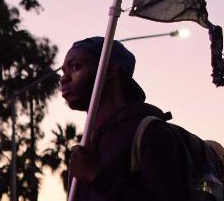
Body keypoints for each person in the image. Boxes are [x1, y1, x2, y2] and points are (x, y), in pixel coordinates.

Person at [60, 36, 192, 201]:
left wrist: (96, 176)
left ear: (108, 70)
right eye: (63, 71)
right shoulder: (88, 146)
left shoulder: (150, 133)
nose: (64, 79)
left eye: (75, 67)